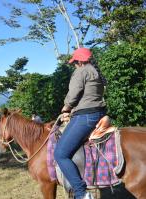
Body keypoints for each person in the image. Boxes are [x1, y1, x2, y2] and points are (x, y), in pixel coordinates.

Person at [54, 48, 107, 199]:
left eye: (75, 63)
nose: (74, 66)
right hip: (98, 113)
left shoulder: (81, 71)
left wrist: (65, 109)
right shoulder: (96, 71)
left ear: (79, 61)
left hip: (85, 116)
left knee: (60, 154)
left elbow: (73, 95)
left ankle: (81, 192)